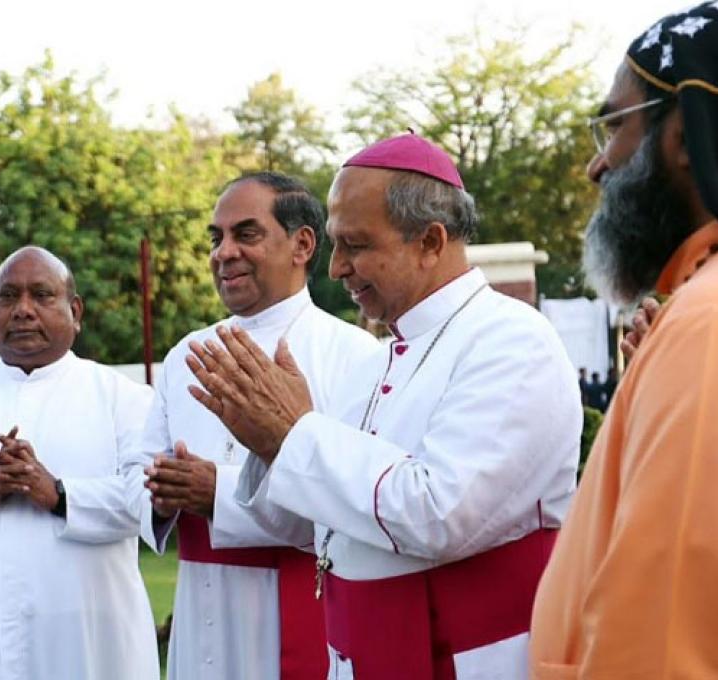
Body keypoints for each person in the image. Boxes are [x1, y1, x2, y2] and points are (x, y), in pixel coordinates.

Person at [186, 135, 581, 679]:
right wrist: (268, 445)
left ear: (429, 241)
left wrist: (293, 434)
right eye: (334, 244)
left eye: (355, 244)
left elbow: (440, 513)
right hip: (366, 651)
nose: (337, 268)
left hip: (471, 657)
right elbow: (325, 526)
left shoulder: (513, 340)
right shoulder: (374, 363)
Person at [530, 4, 718, 677]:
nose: (596, 166)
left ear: (687, 138)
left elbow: (663, 638)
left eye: (615, 126)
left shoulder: (705, 326)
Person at [135, 172, 381, 680]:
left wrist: (218, 494)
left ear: (302, 244)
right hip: (200, 602)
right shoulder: (186, 355)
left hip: (296, 605)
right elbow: (141, 470)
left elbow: (357, 500)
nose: (223, 252)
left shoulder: (353, 355)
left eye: (245, 234)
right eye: (216, 237)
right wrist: (159, 496)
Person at [0, 246, 158, 680]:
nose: (22, 311)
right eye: (7, 297)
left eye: (41, 295)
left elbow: (146, 499)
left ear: (75, 309)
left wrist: (60, 494)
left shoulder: (124, 398)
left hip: (89, 644)